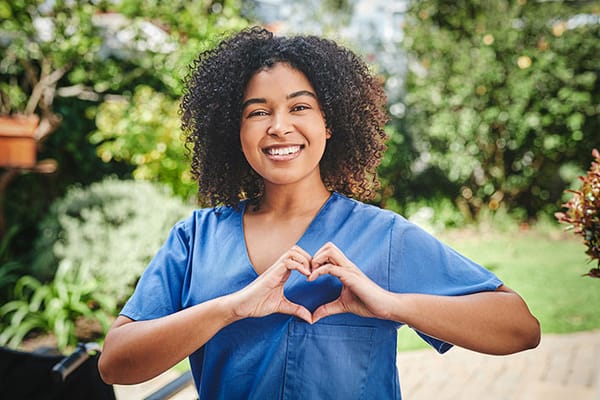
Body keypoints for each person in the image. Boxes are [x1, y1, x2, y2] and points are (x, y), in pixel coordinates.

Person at [98, 27, 540, 399]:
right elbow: (115, 363)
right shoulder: (195, 239)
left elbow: (519, 327)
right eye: (257, 112)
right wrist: (230, 308)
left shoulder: (381, 236)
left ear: (329, 123)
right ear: (235, 131)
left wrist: (391, 305)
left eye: (299, 106)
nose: (279, 126)